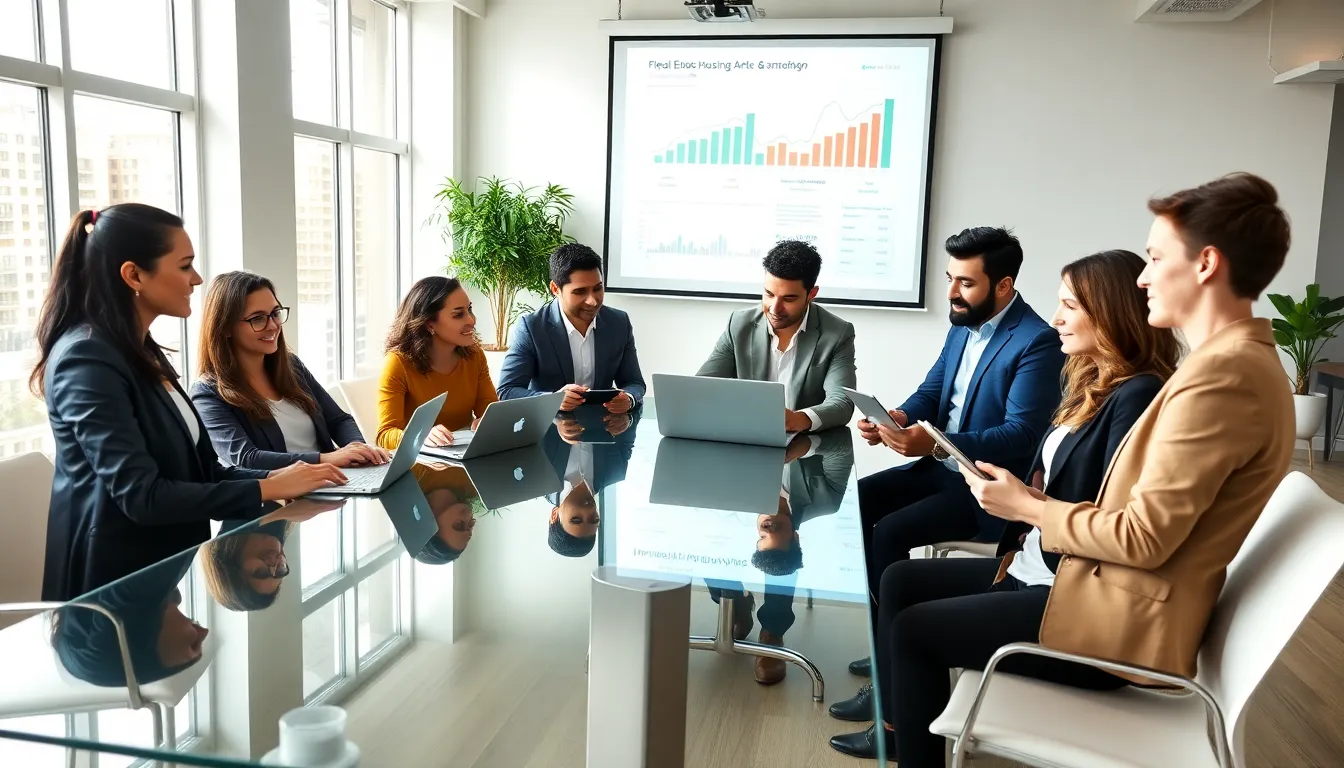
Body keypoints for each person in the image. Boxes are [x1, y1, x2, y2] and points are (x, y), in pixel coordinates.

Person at [830, 173, 1294, 764]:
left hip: (1114, 621)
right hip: (1097, 587)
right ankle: (898, 729)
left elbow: (1143, 537)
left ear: (1205, 263)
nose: (1144, 275)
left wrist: (1028, 508)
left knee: (914, 629)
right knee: (902, 586)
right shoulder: (1229, 368)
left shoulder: (1221, 382)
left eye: (1155, 257)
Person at [34, 205, 346, 601]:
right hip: (110, 590)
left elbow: (202, 471)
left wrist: (278, 481)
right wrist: (266, 489)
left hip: (165, 571)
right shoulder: (87, 358)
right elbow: (142, 496)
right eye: (185, 266)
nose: (197, 279)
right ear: (134, 275)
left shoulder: (140, 349)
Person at [852, 227, 1063, 632]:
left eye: (965, 283)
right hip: (942, 471)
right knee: (858, 503)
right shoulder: (962, 325)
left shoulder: (1038, 340)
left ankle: (890, 650)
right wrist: (897, 417)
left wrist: (933, 445)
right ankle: (881, 630)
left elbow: (1021, 434)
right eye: (950, 278)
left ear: (1003, 285)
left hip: (984, 489)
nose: (951, 292)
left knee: (890, 532)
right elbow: (931, 393)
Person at [191, 270, 389, 470]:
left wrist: (357, 448)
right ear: (225, 327)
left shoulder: (291, 366)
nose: (273, 325)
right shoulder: (207, 394)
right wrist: (326, 459)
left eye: (275, 313)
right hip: (282, 497)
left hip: (334, 483)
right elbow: (247, 458)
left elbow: (339, 420)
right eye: (258, 318)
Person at [708, 428, 855, 685]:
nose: (768, 525)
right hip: (762, 431)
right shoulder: (825, 497)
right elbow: (843, 445)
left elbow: (845, 438)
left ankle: (772, 631)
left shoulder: (822, 502)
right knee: (703, 537)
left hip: (736, 489)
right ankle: (734, 601)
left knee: (776, 557)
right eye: (776, 527)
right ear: (795, 534)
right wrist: (807, 445)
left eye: (765, 533)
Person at [697, 240, 856, 432]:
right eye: (769, 294)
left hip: (805, 449)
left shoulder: (837, 333)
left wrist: (799, 419)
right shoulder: (739, 324)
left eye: (789, 298)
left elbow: (842, 403)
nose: (775, 308)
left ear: (811, 294)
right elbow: (702, 387)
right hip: (746, 439)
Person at [497, 243, 645, 413]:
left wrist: (629, 398)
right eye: (580, 292)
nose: (593, 301)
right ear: (555, 289)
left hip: (603, 428)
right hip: (550, 429)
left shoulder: (619, 322)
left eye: (598, 288)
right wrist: (553, 400)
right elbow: (507, 390)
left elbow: (634, 382)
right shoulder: (531, 327)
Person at [376, 276, 499, 450]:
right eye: (458, 315)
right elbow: (385, 434)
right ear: (428, 323)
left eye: (469, 309)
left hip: (464, 457)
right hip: (419, 465)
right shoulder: (398, 363)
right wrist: (421, 436)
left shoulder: (474, 355)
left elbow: (489, 411)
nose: (471, 320)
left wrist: (487, 422)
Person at [543, 404, 638, 558]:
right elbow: (635, 408)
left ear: (554, 516)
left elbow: (527, 409)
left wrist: (557, 418)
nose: (588, 511)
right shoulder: (615, 471)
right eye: (594, 519)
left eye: (576, 519)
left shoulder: (538, 473)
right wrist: (628, 418)